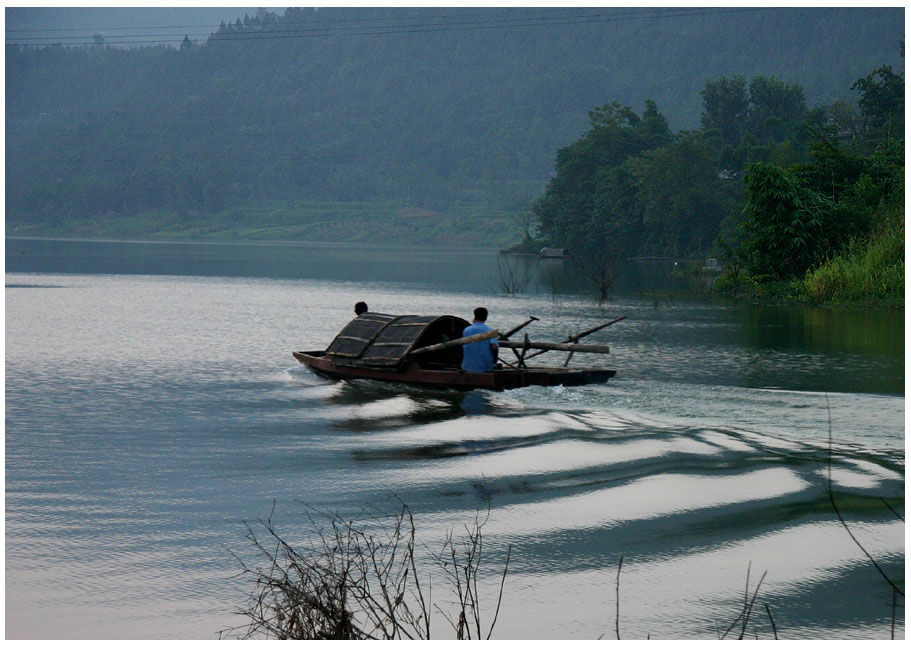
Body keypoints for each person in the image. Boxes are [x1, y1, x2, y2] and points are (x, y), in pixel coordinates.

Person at [461, 307, 499, 372]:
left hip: (467, 366)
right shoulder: (489, 331)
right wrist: (495, 360)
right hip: (485, 367)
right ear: (486, 318)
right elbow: (494, 347)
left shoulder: (466, 330)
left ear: (475, 316)